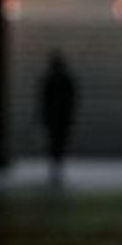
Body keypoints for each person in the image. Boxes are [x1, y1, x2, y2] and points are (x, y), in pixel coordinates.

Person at [39, 51, 77, 183]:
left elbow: (44, 100)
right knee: (59, 142)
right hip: (61, 118)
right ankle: (57, 164)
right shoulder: (65, 80)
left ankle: (55, 164)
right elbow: (71, 99)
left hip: (55, 118)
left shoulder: (50, 80)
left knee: (54, 142)